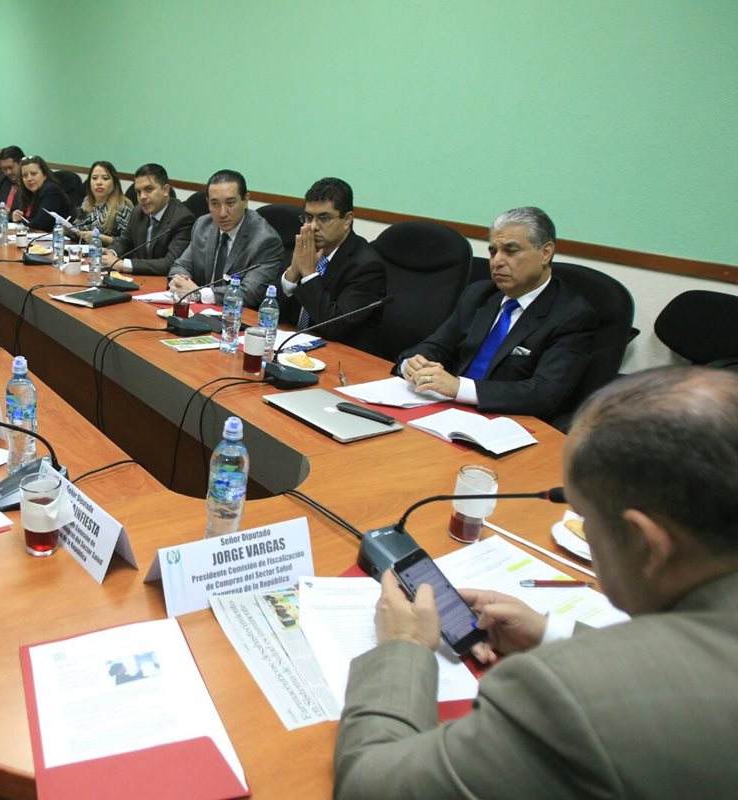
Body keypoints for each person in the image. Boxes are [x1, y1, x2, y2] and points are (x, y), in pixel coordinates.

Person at [333, 366, 738, 799]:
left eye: (585, 516)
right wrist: (553, 634)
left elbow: (371, 787)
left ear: (646, 544)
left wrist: (404, 648)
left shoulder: (569, 694)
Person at [397, 207, 596, 422]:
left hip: (508, 423)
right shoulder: (479, 294)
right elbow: (436, 346)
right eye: (493, 252)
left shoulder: (572, 315)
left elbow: (545, 393)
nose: (497, 261)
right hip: (445, 412)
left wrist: (459, 388)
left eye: (510, 251)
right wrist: (412, 363)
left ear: (545, 253)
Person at [280, 178, 386, 342]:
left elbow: (335, 327)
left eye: (324, 218)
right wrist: (293, 273)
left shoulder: (367, 266)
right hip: (294, 348)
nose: (313, 226)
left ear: (347, 220)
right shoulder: (306, 248)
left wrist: (309, 274)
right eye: (308, 217)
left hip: (344, 358)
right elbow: (270, 311)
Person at [168, 169, 285, 309]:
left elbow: (250, 293)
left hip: (236, 318)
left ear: (246, 200)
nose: (222, 213)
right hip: (200, 310)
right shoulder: (203, 225)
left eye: (230, 203)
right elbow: (180, 266)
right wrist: (181, 282)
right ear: (208, 203)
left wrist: (198, 293)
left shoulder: (265, 240)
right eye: (215, 204)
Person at [103, 163, 194, 276]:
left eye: (149, 189)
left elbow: (170, 263)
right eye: (138, 192)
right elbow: (125, 242)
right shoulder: (138, 212)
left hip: (163, 285)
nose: (142, 197)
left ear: (165, 190)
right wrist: (110, 253)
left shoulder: (182, 219)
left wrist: (123, 264)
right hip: (139, 280)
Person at [69, 160, 132, 246]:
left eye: (105, 178)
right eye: (94, 178)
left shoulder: (122, 206)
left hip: (108, 255)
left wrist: (101, 238)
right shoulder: (87, 201)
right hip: (83, 252)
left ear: (114, 182)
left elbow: (129, 243)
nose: (98, 182)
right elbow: (80, 230)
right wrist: (70, 230)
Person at [10, 155, 70, 232]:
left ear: (44, 175)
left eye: (34, 174)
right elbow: (16, 212)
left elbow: (40, 223)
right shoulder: (28, 192)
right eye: (25, 176)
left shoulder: (51, 190)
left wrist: (22, 220)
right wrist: (15, 216)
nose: (29, 179)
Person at [0, 145, 24, 209]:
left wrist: (4, 211)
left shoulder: (29, 184)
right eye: (4, 169)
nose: (8, 172)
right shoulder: (3, 179)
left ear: (21, 164)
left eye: (10, 168)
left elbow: (23, 215)